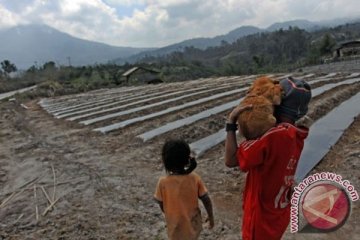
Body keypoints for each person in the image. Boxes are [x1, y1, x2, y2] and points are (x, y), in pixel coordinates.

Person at [224, 77, 312, 240]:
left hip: (260, 220)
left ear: (278, 105)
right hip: (278, 214)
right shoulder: (298, 135)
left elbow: (231, 160)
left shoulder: (273, 137)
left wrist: (231, 122)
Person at [154, 139, 214, 240]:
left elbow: (161, 203)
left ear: (166, 161)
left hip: (175, 226)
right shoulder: (194, 178)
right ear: (187, 159)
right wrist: (211, 217)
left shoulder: (163, 182)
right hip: (193, 223)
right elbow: (206, 199)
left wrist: (168, 213)